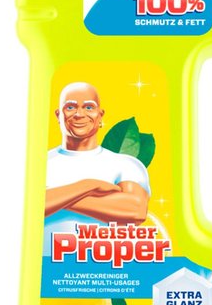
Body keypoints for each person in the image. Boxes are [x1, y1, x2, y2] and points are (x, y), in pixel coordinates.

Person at [44, 81, 150, 255]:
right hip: (49, 264)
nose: (79, 114)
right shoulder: (40, 162)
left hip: (108, 265)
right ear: (58, 115)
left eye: (88, 107)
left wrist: (53, 199)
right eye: (70, 107)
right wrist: (89, 185)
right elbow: (26, 207)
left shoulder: (125, 164)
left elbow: (135, 209)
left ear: (100, 115)